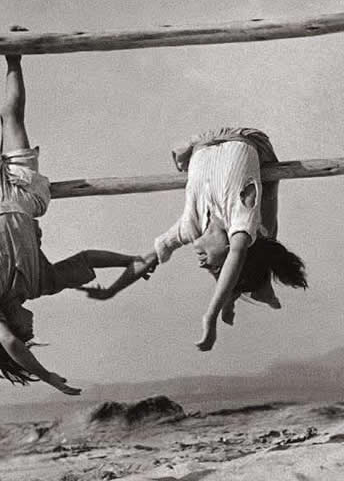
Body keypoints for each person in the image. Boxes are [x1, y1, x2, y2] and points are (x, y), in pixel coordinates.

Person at [0, 40, 153, 396]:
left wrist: (48, 378)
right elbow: (87, 260)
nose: (30, 329)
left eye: (27, 334)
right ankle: (13, 57)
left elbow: (10, 344)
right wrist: (130, 259)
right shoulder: (40, 285)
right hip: (24, 197)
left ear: (8, 327)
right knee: (13, 118)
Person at [83, 128, 307, 351]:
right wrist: (210, 317)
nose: (203, 265)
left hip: (201, 144)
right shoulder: (240, 222)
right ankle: (246, 291)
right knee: (266, 226)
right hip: (246, 138)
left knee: (258, 242)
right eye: (216, 266)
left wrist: (111, 291)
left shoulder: (189, 228)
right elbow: (237, 256)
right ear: (231, 246)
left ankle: (238, 293)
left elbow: (146, 260)